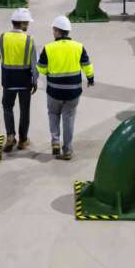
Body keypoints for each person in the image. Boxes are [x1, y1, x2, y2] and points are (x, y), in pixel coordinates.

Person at [37, 15, 94, 160]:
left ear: (57, 31)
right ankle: (67, 150)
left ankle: (55, 141)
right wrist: (90, 78)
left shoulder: (48, 48)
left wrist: (49, 71)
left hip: (54, 91)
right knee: (68, 118)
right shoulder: (78, 47)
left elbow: (41, 68)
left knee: (53, 114)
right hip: (73, 93)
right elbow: (87, 65)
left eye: (54, 30)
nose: (53, 32)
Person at [0, 8, 38, 152]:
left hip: (8, 81)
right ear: (22, 23)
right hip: (25, 82)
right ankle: (23, 140)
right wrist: (35, 80)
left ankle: (10, 135)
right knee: (25, 110)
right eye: (27, 23)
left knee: (7, 107)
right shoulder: (29, 40)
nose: (28, 25)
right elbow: (34, 64)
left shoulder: (1, 38)